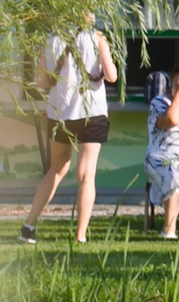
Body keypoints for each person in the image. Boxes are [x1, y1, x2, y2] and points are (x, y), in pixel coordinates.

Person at [22, 13, 119, 246]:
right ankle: (80, 236)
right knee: (86, 175)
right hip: (91, 112)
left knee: (56, 169)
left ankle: (29, 226)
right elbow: (112, 76)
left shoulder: (50, 40)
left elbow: (41, 82)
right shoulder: (98, 38)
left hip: (60, 113)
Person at [144, 60, 179, 239]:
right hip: (159, 156)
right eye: (178, 82)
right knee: (177, 169)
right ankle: (169, 227)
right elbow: (171, 120)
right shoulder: (159, 102)